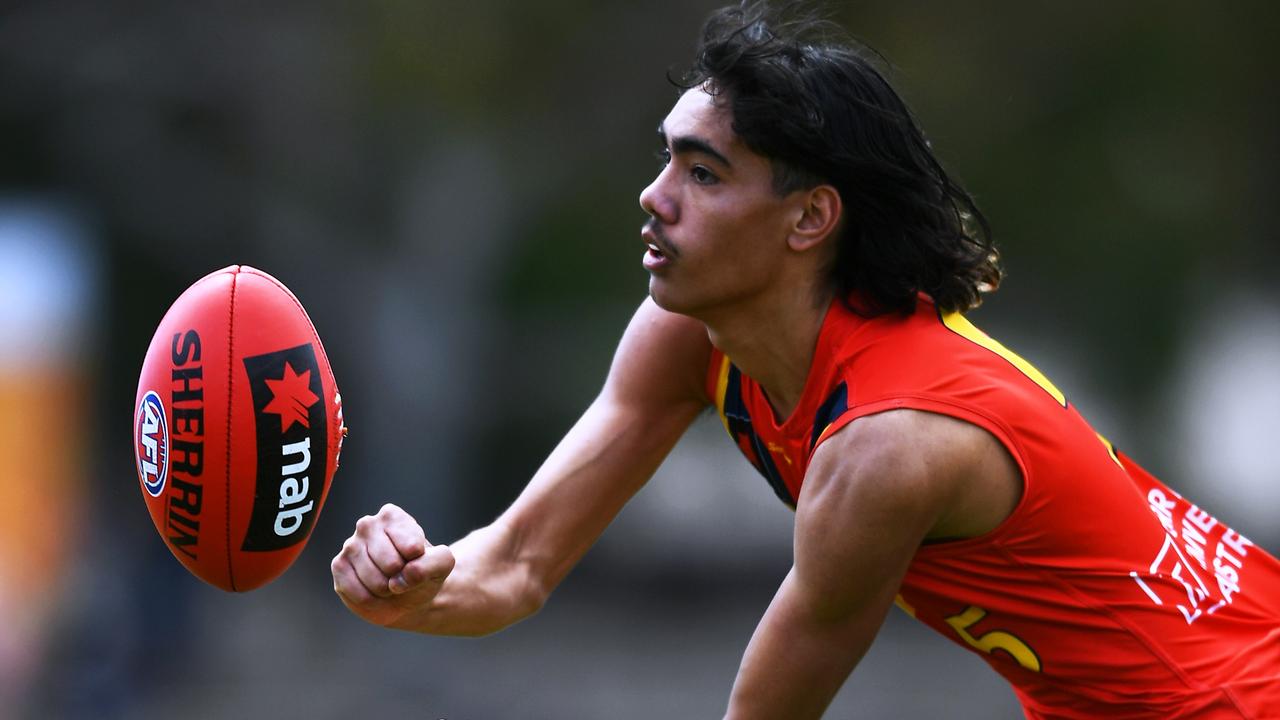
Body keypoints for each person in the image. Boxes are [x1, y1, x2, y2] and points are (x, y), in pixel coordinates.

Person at [330, 2, 1280, 717]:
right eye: (667, 161)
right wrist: (413, 585)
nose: (653, 198)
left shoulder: (888, 448)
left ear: (811, 218)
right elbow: (519, 566)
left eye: (702, 175)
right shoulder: (691, 334)